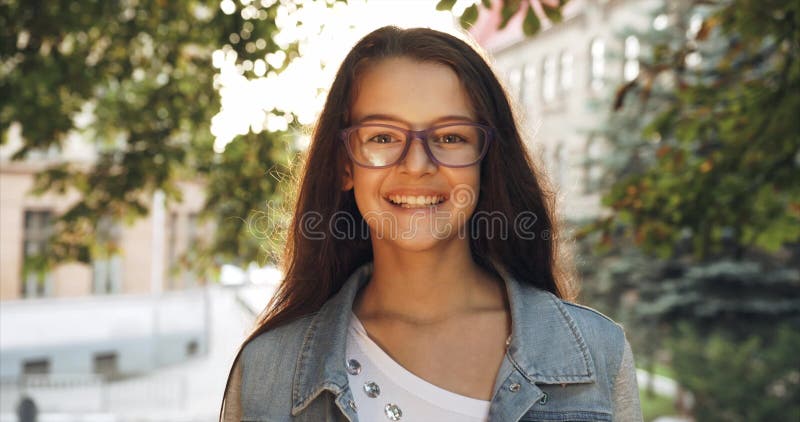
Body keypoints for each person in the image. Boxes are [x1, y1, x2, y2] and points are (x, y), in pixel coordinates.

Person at [221, 26, 642, 422]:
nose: (418, 164)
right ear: (344, 167)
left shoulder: (597, 355)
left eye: (450, 137)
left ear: (485, 162)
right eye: (382, 137)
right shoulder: (266, 373)